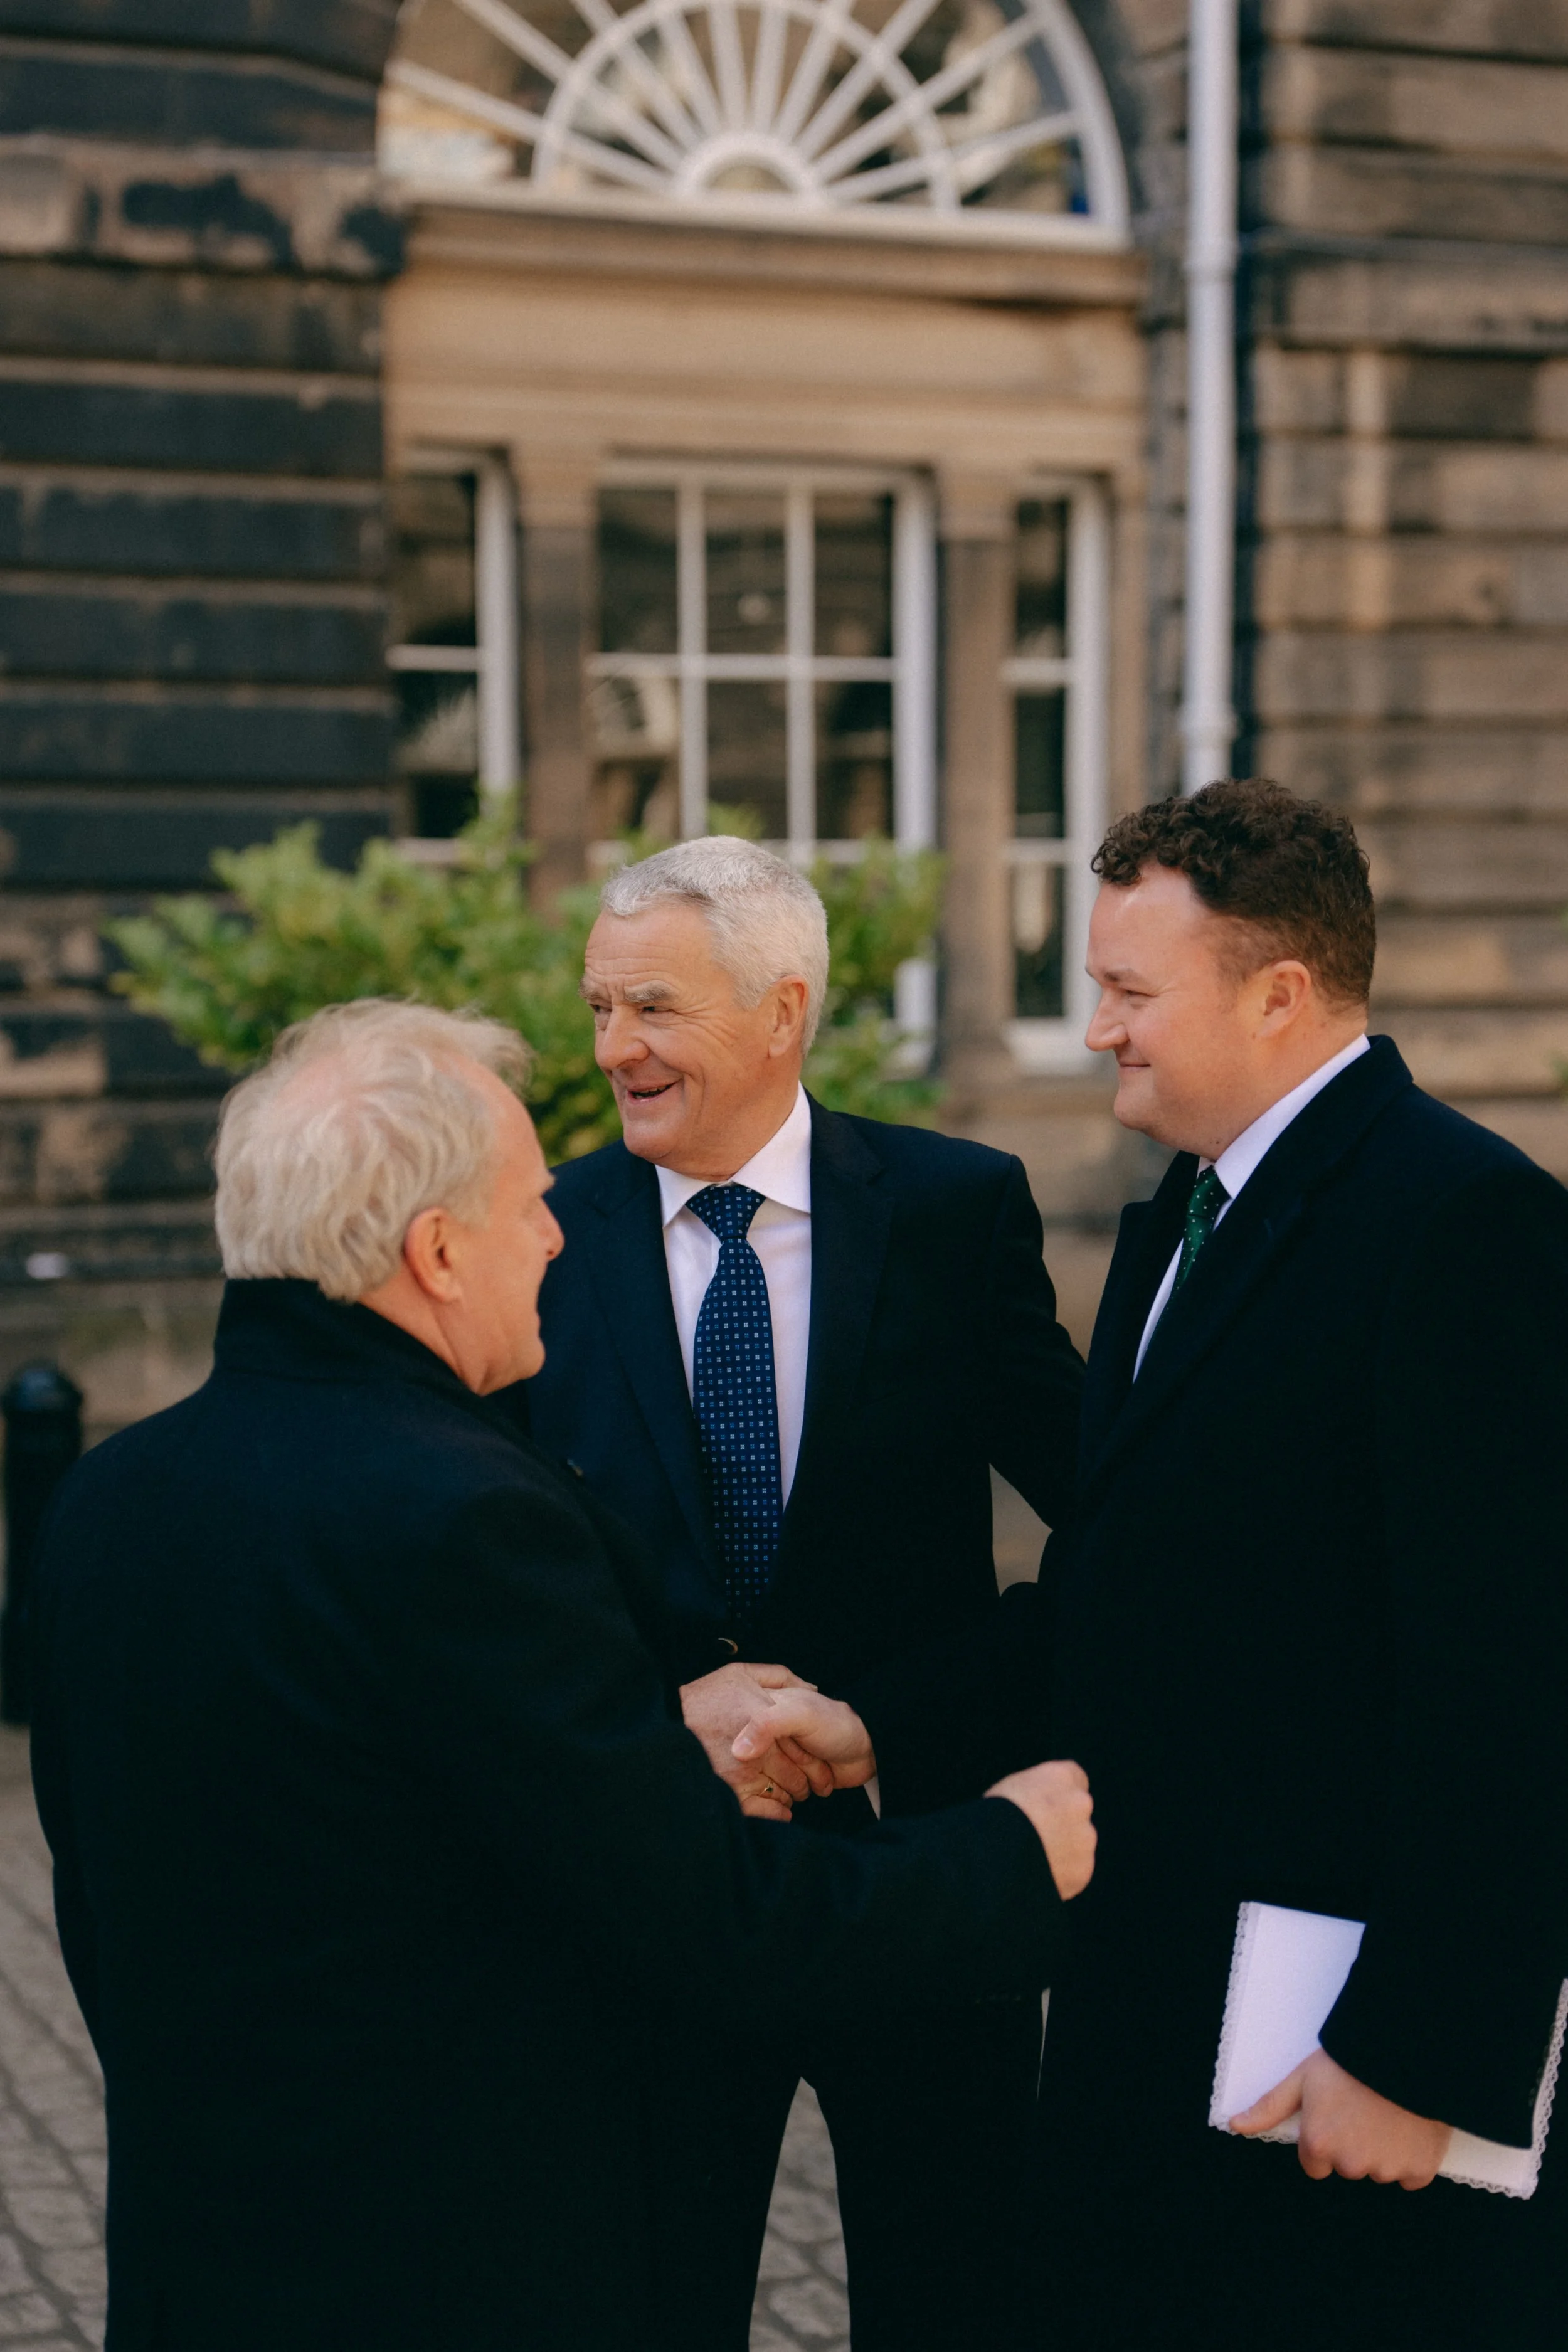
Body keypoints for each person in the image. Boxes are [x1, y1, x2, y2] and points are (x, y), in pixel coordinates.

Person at [26, 999, 1097, 2352]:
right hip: (440, 2264)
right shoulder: (458, 1512)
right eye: (528, 1203)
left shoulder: (109, 1497)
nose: (556, 1232)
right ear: (433, 1250)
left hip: (207, 2249)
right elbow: (711, 1916)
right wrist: (1005, 1850)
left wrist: (643, 1727)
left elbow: (138, 1888)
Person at [742, 781, 1568, 2349]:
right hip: (1149, 1994)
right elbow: (1124, 1591)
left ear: (1276, 995)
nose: (1097, 1030)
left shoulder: (1464, 1230)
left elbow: (1516, 1686)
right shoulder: (1179, 1216)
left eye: (1127, 992)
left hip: (1334, 2050)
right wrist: (879, 1727)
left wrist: (1417, 2057)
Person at [517, 835, 1085, 2349]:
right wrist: (655, 1714)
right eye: (595, 1008)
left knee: (956, 2291)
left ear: (781, 1012)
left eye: (650, 1007)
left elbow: (1108, 1518)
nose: (611, 1049)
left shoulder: (958, 1213)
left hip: (921, 1870)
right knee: (649, 2295)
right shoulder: (540, 1236)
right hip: (657, 1873)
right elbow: (494, 1575)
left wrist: (899, 1719)